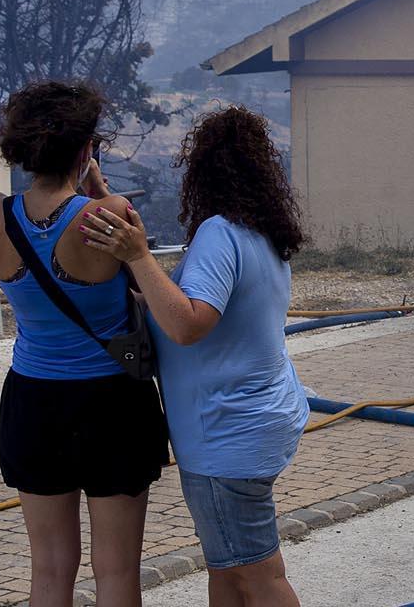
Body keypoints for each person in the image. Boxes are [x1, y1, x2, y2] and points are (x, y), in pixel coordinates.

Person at [84, 107, 307, 607]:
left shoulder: (218, 235)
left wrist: (138, 257)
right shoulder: (261, 233)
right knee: (227, 568)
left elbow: (187, 323)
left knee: (259, 575)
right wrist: (106, 207)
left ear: (200, 170)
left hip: (224, 435)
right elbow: (177, 304)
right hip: (253, 422)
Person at [0, 80, 166, 607]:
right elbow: (144, 281)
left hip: (32, 399)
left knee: (50, 570)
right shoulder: (108, 214)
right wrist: (101, 192)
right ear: (86, 151)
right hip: (110, 402)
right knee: (117, 570)